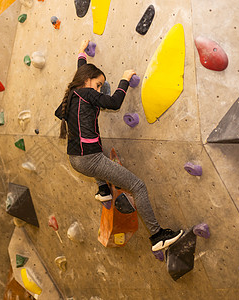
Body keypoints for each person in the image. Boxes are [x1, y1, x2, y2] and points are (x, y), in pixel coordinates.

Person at [55, 39, 183, 251]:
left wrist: (81, 54)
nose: (99, 89)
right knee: (138, 186)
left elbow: (82, 75)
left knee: (96, 147)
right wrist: (124, 79)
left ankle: (103, 188)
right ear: (87, 82)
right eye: (98, 85)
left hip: (75, 159)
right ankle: (157, 236)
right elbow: (114, 103)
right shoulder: (87, 93)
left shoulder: (74, 94)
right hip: (89, 160)